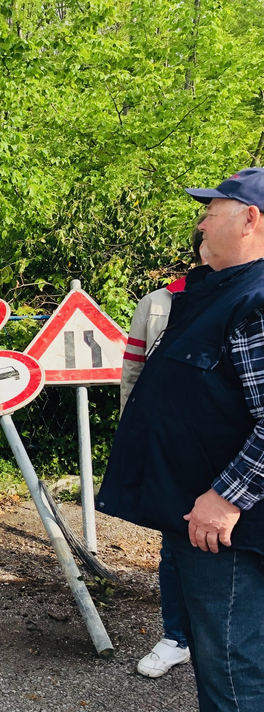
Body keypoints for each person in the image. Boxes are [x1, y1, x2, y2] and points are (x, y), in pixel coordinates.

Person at [97, 168, 264, 712]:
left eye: (211, 212)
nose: (200, 223)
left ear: (251, 219)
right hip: (197, 513)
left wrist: (227, 497)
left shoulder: (256, 301)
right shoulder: (216, 293)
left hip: (226, 524)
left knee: (230, 651)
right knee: (216, 645)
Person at [121, 227, 208, 679]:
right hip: (172, 446)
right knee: (176, 541)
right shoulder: (158, 302)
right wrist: (132, 436)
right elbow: (133, 372)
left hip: (234, 449)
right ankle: (176, 637)